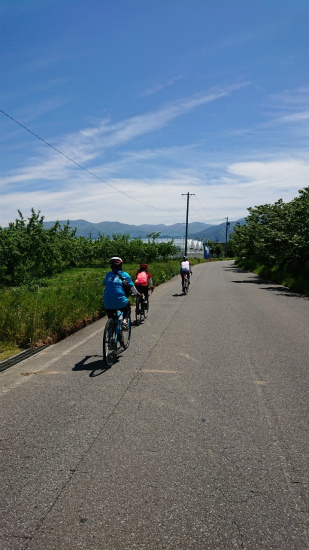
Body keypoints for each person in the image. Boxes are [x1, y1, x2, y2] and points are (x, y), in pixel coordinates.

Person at [103, 257, 140, 330]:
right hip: (120, 301)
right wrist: (137, 294)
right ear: (121, 265)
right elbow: (132, 287)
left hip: (107, 301)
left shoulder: (108, 275)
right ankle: (125, 321)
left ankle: (111, 332)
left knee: (112, 318)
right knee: (127, 309)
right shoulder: (125, 275)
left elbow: (105, 284)